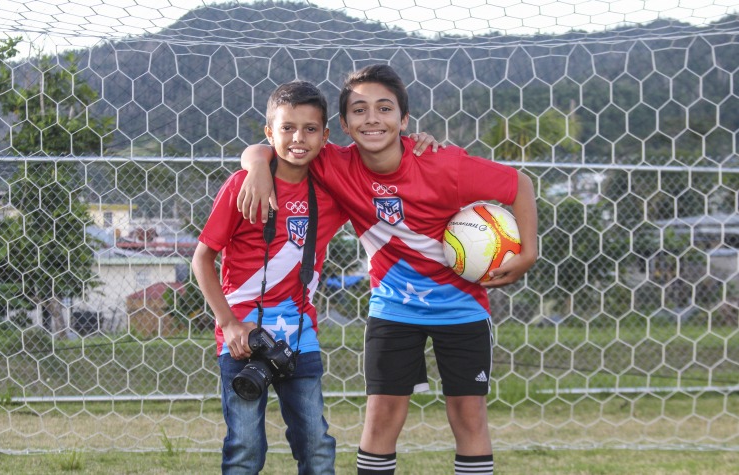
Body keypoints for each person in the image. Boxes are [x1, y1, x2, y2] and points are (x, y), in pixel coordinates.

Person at [237, 64, 538, 475]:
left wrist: (528, 253)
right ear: (343, 125)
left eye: (384, 108)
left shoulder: (442, 164)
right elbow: (273, 144)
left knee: (468, 418)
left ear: (404, 119)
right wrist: (256, 165)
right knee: (381, 419)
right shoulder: (335, 165)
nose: (372, 118)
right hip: (394, 310)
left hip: (462, 308)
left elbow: (519, 183)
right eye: (359, 110)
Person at [192, 79, 439, 474]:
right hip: (241, 338)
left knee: (316, 444)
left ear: (326, 136)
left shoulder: (332, 189)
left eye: (310, 129)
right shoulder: (243, 186)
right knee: (244, 447)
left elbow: (381, 160)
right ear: (269, 132)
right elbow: (202, 259)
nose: (298, 138)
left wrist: (418, 142)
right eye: (287, 128)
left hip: (299, 337)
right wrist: (228, 323)